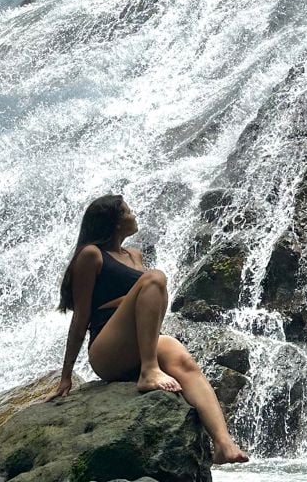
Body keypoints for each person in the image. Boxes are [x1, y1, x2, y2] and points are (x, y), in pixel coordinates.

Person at [51, 194, 249, 464]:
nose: (134, 214)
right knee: (155, 278)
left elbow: (146, 302)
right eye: (128, 211)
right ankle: (149, 371)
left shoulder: (135, 255)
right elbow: (81, 316)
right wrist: (66, 376)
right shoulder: (91, 255)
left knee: (184, 360)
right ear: (115, 221)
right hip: (106, 349)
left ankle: (223, 444)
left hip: (140, 343)